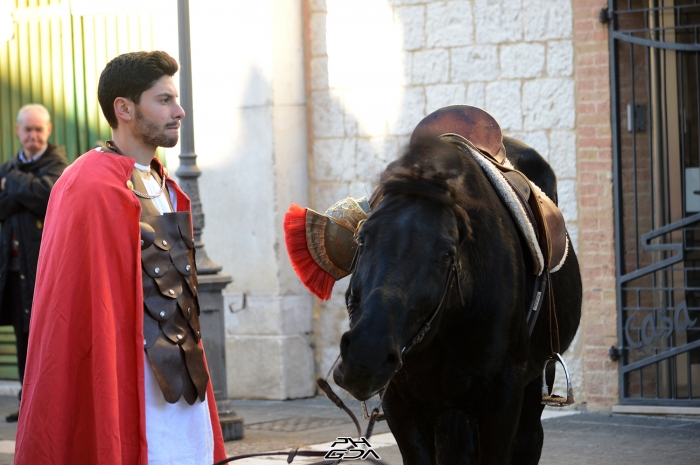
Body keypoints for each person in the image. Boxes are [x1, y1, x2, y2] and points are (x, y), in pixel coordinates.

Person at [14, 51, 227, 464]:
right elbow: (78, 311)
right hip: (127, 386)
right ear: (124, 109)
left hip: (181, 386)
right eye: (163, 100)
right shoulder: (87, 185)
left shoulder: (163, 183)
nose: (178, 111)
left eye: (175, 99)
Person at [0, 104, 68, 423]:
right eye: (28, 129)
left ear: (49, 131)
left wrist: (11, 185)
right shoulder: (12, 166)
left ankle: (49, 404)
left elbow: (48, 195)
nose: (33, 136)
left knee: (46, 335)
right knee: (21, 333)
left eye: (39, 129)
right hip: (13, 271)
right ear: (18, 131)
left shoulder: (58, 165)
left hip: (45, 271)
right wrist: (26, 191)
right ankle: (27, 401)